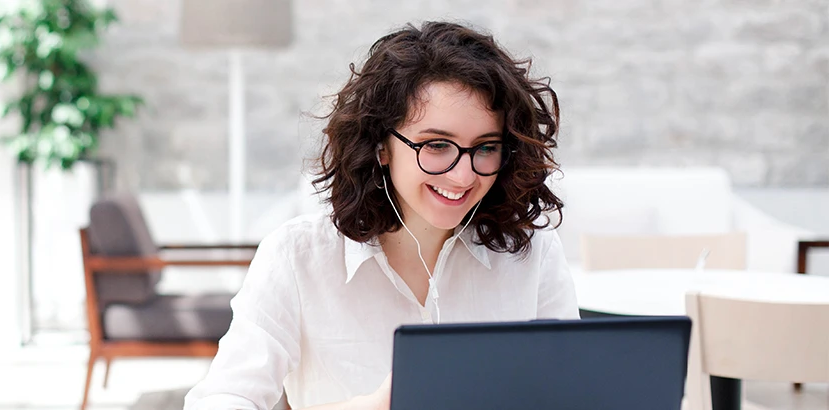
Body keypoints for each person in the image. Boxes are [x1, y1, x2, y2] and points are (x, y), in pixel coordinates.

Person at [184, 20, 578, 410]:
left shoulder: (534, 254)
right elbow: (222, 399)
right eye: (437, 145)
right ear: (381, 146)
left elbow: (577, 394)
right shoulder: (297, 256)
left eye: (486, 147)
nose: (464, 175)